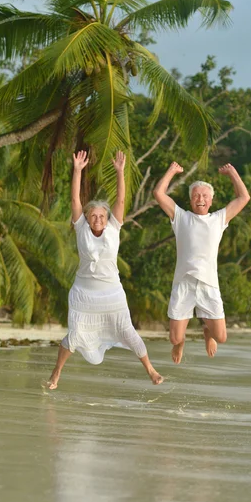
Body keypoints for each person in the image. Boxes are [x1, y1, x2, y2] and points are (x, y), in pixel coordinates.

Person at [47, 150, 163, 390]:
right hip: (84, 295)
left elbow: (120, 201)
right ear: (87, 219)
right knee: (75, 336)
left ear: (107, 218)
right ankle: (56, 373)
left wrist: (120, 171)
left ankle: (150, 370)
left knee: (128, 333)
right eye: (93, 216)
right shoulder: (80, 228)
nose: (97, 219)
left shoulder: (114, 227)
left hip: (112, 294)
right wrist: (77, 170)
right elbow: (75, 201)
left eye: (101, 215)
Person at [153, 162, 250, 364]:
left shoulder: (219, 219)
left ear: (211, 200)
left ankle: (207, 330)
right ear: (190, 199)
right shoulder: (181, 217)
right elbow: (159, 194)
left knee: (221, 337)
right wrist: (171, 171)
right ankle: (181, 342)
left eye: (205, 196)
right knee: (174, 337)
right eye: (196, 195)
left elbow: (244, 198)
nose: (201, 199)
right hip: (184, 283)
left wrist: (233, 172)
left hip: (208, 284)